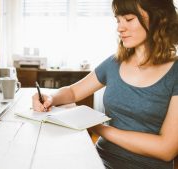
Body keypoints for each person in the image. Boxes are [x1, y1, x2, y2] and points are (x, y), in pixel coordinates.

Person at [32, 0, 178, 168]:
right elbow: (73, 92)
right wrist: (50, 97)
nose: (120, 28)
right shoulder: (114, 63)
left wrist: (96, 127)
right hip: (98, 159)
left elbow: (166, 149)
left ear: (159, 19)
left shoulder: (175, 72)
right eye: (118, 20)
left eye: (129, 19)